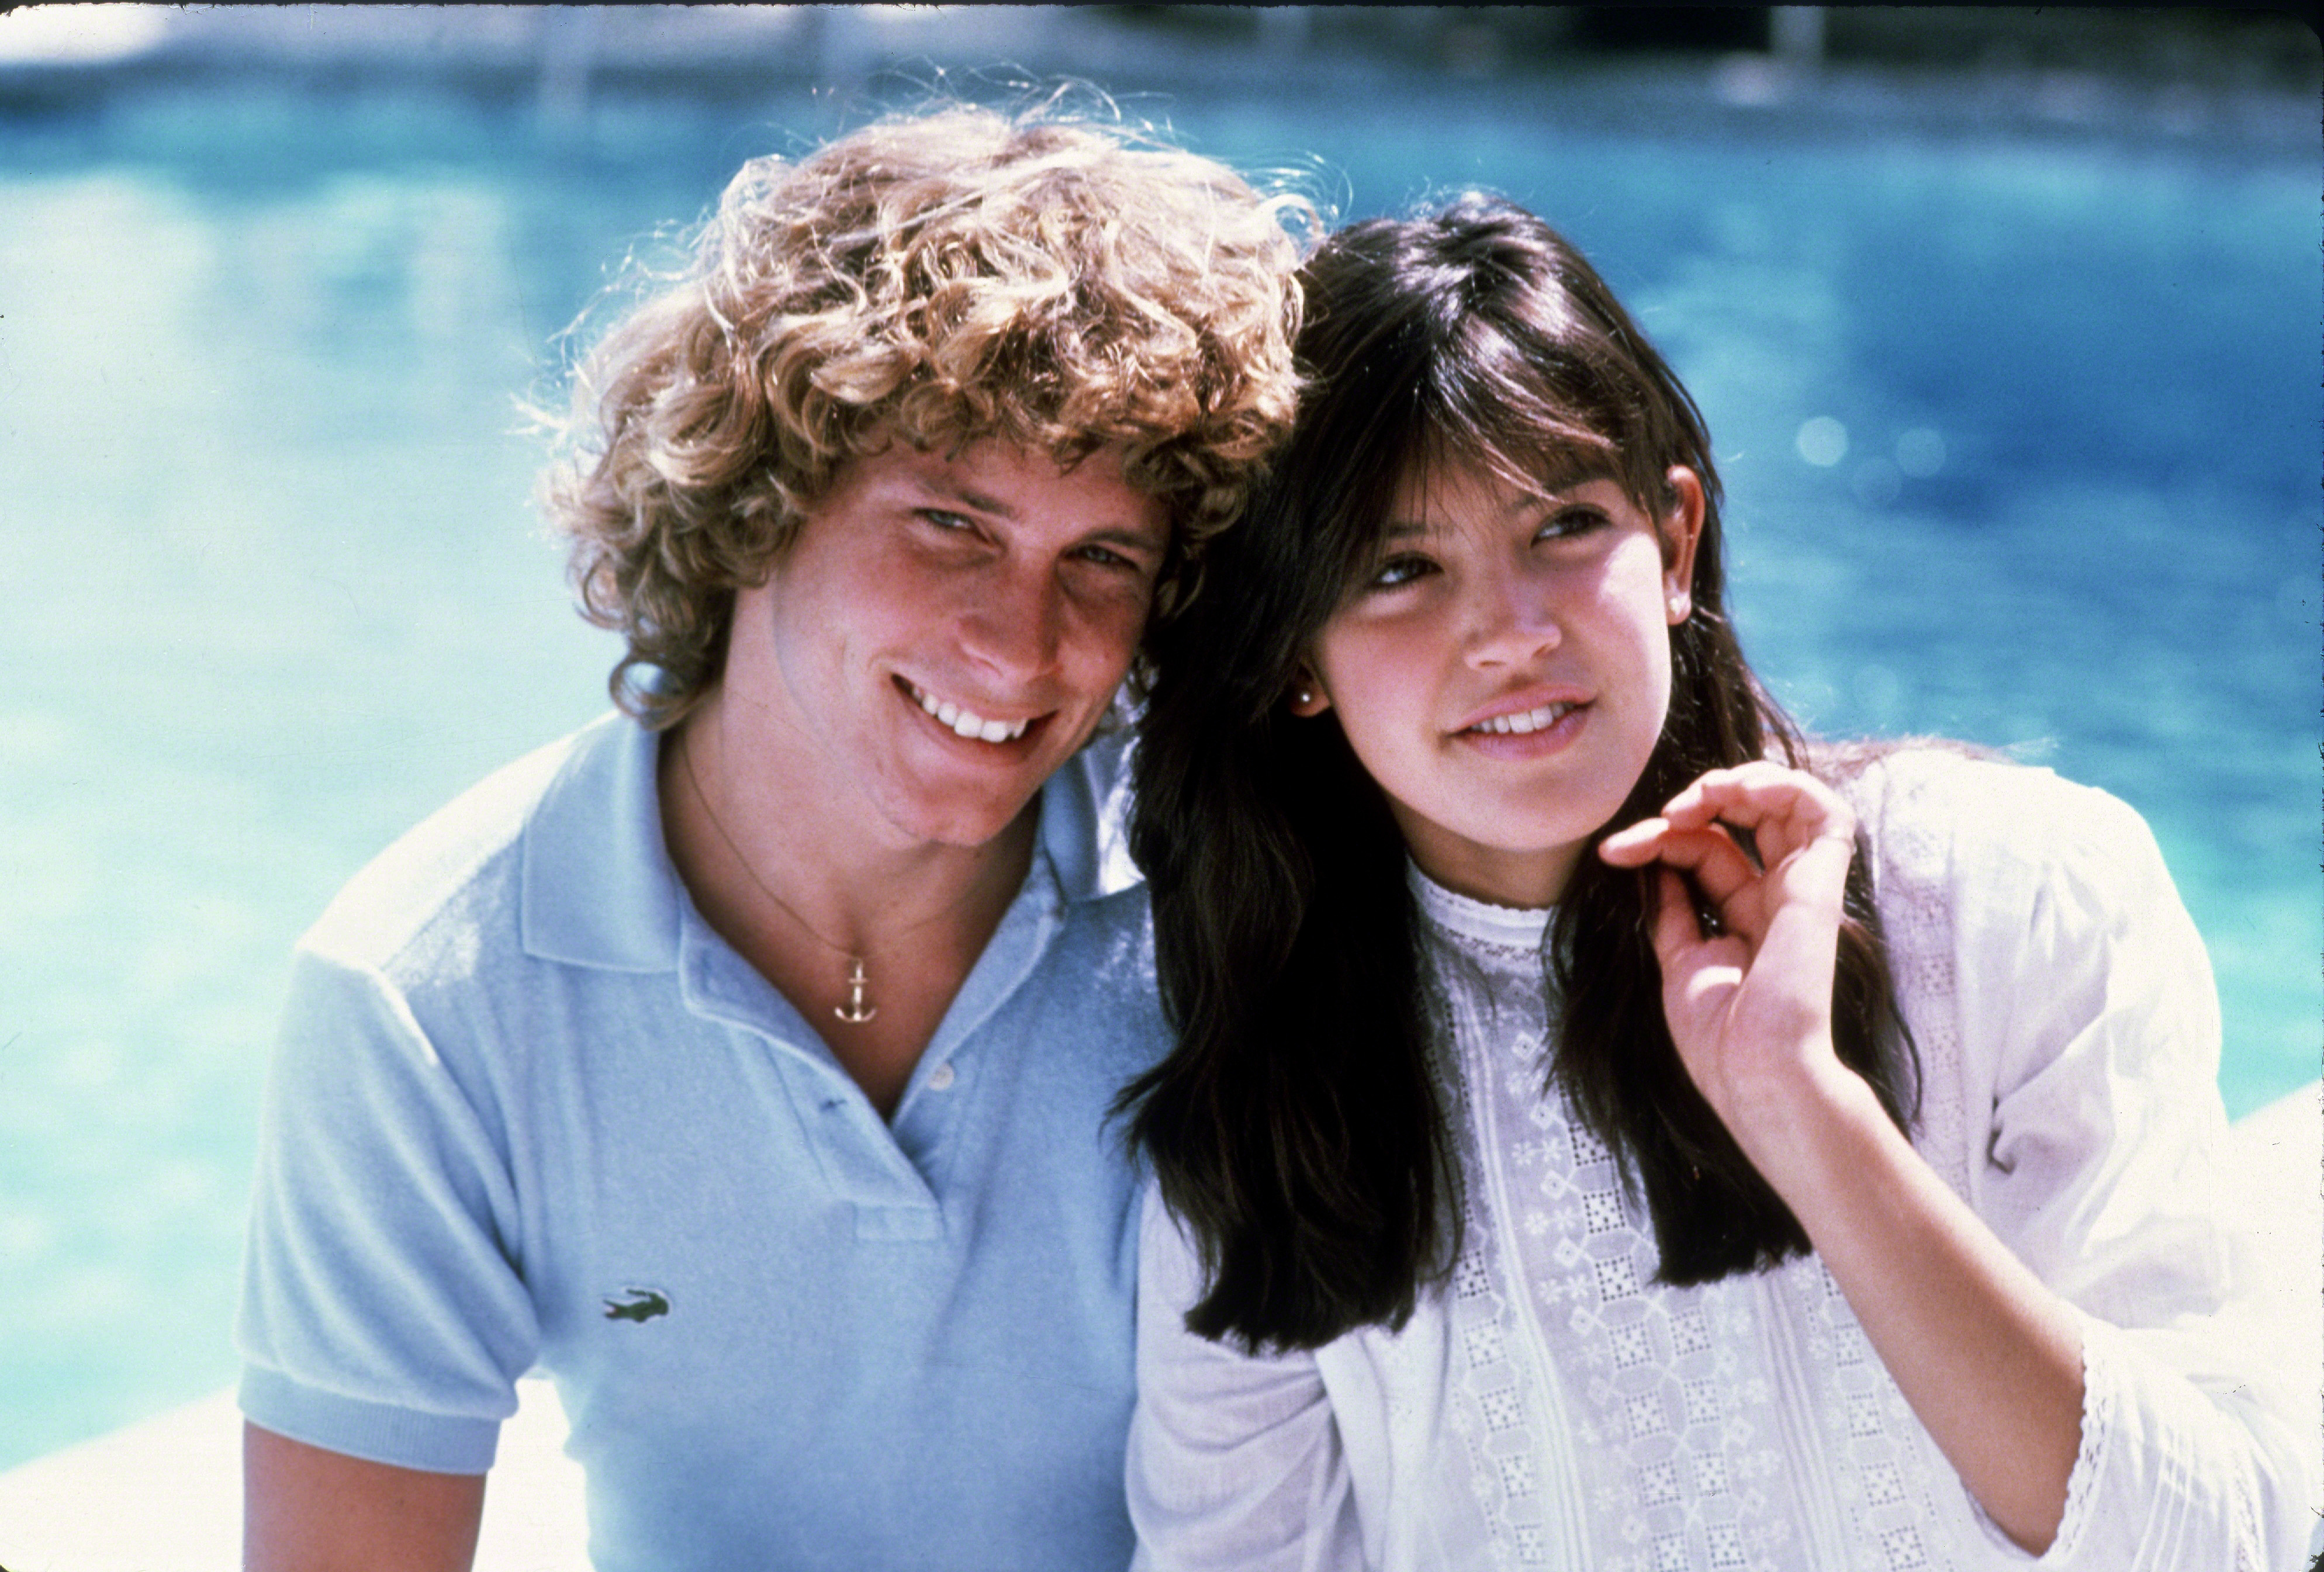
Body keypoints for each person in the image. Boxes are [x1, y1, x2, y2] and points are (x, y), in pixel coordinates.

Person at [1120, 194, 2312, 1571]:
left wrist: (1805, 1111)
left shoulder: (2006, 893)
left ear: (1674, 541)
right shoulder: (1260, 1096)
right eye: (1398, 569)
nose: (1509, 633)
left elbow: (2225, 1534)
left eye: (1562, 524)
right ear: (1293, 659)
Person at [236, 101, 1307, 1571]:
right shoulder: (423, 997)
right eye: (950, 523)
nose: (1020, 644)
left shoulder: (1236, 902)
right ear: (756, 502)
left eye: (1100, 559)